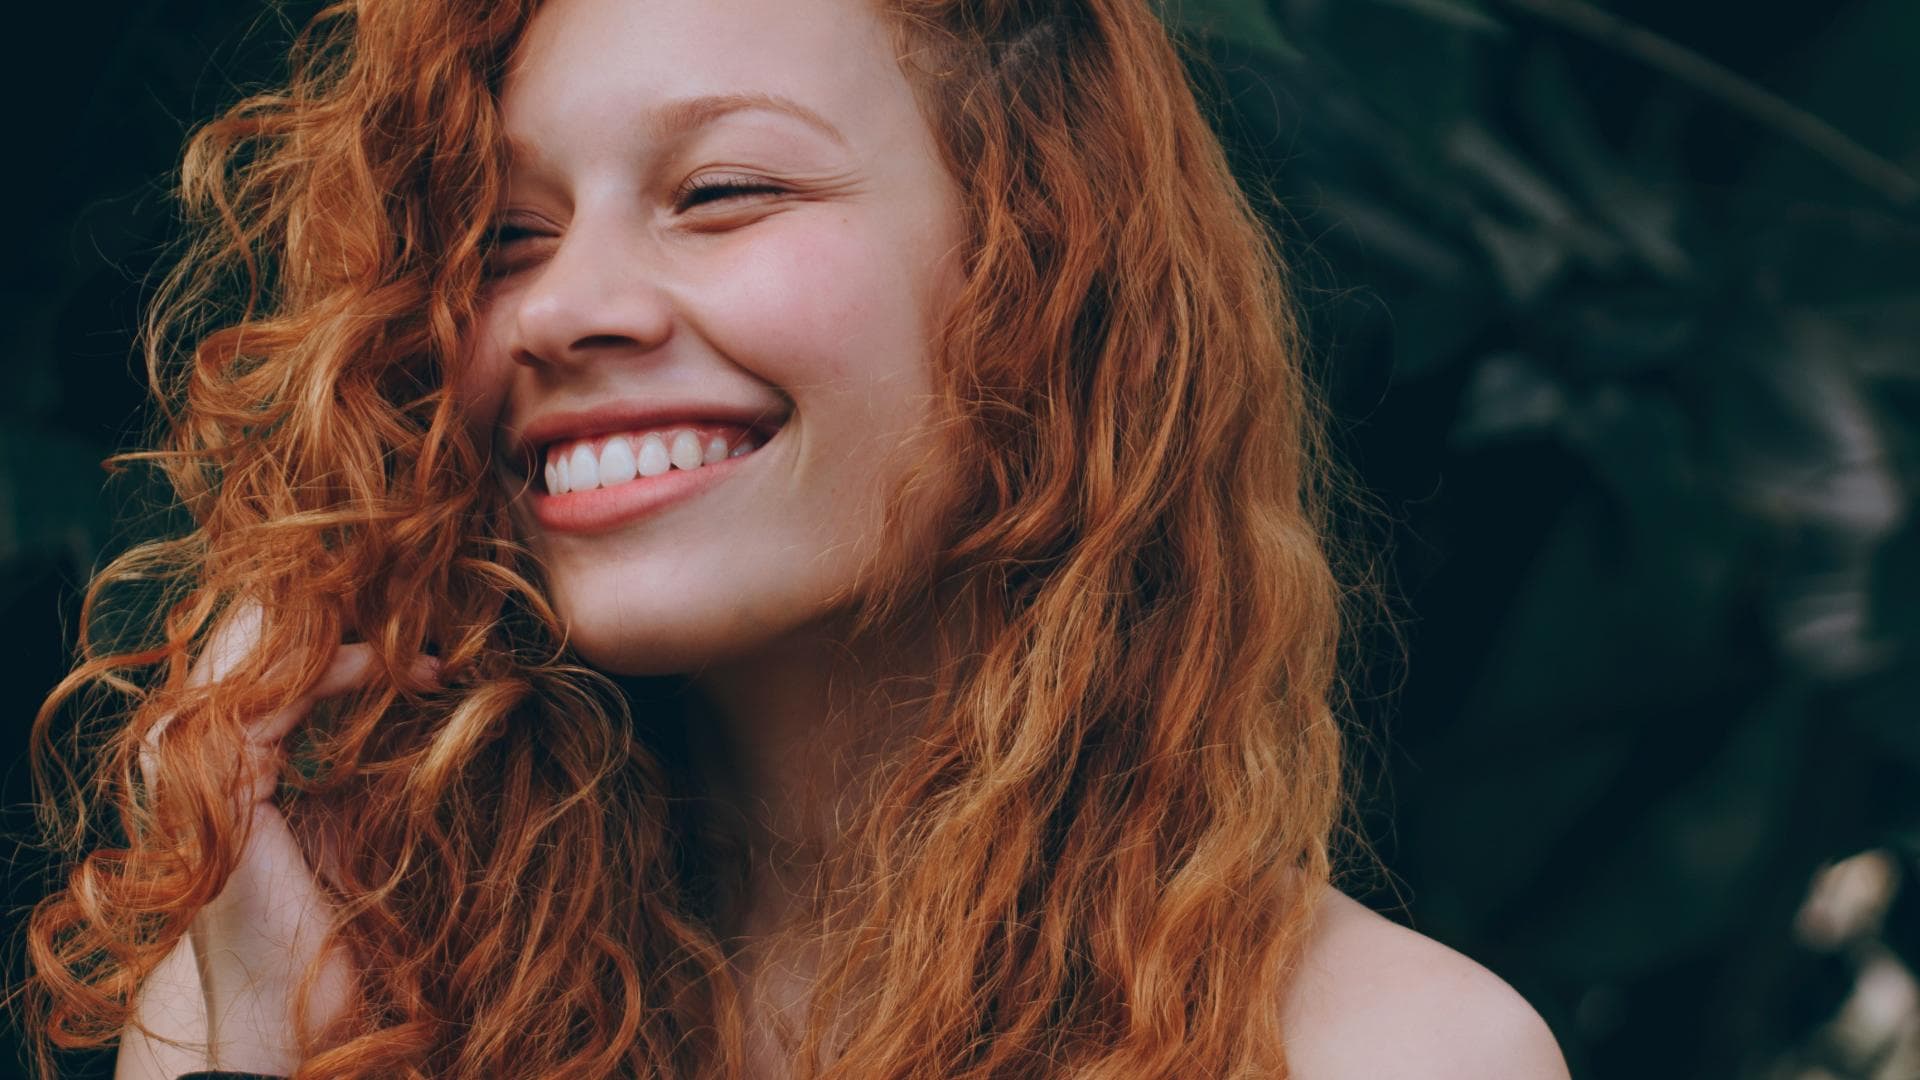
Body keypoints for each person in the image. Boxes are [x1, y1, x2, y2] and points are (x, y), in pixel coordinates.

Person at [25, 0, 1571, 1077]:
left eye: (722, 191)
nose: (563, 308)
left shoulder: (1391, 1056)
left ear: (1048, 284)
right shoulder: (294, 982)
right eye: (509, 235)